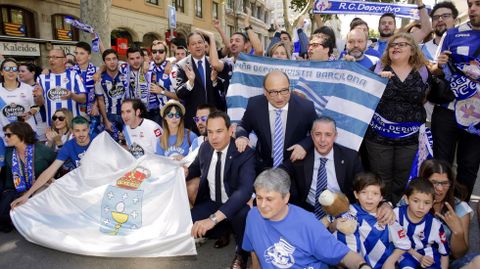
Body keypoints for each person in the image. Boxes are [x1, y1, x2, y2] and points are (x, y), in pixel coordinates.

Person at [243, 168, 372, 269]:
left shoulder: (307, 223)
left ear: (286, 198)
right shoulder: (253, 216)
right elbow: (255, 249)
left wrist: (362, 266)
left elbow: (343, 255)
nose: (262, 205)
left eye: (269, 199)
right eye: (259, 198)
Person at [365, 32, 429, 204]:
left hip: (409, 139)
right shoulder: (378, 68)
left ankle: (398, 217)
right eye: (393, 44)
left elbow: (428, 96)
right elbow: (361, 91)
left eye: (402, 44)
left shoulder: (422, 71)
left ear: (412, 51)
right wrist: (376, 80)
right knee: (381, 180)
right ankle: (381, 215)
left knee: (403, 180)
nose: (396, 47)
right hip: (379, 137)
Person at [188, 111, 256, 269]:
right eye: (210, 132)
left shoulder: (244, 153)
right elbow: (195, 169)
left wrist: (212, 220)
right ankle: (222, 229)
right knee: (187, 223)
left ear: (230, 130)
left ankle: (241, 253)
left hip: (235, 204)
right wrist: (185, 172)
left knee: (243, 214)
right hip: (211, 202)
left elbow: (245, 191)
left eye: (219, 131)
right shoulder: (205, 147)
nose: (214, 137)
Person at [431, 0, 480, 200]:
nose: (472, 9)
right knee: (441, 166)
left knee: (468, 167)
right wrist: (440, 66)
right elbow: (434, 68)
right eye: (470, 4)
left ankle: (461, 212)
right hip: (447, 111)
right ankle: (437, 212)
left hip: (476, 116)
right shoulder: (452, 34)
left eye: (478, 4)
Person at [235, 70, 317, 174]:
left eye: (284, 90)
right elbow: (243, 126)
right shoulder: (255, 105)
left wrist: (304, 145)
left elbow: (317, 132)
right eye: (273, 92)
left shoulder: (306, 107)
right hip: (264, 167)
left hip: (295, 167)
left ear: (290, 88)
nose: (280, 97)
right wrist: (242, 136)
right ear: (265, 91)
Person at [281, 117, 363, 213]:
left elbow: (363, 186)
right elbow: (280, 172)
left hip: (340, 212)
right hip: (307, 211)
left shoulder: (350, 157)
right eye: (317, 134)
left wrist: (383, 204)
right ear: (311, 135)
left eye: (328, 134)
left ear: (335, 136)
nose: (322, 139)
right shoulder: (300, 156)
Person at [336, 172, 410, 269]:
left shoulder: (386, 216)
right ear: (356, 194)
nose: (369, 197)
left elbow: (404, 243)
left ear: (381, 197)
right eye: (364, 192)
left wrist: (390, 262)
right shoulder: (350, 212)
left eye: (375, 193)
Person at [419, 159, 480, 269]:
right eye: (434, 183)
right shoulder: (411, 201)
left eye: (445, 183)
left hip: (448, 263)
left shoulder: (460, 208)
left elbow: (459, 255)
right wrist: (386, 207)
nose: (440, 189)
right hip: (416, 259)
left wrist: (457, 232)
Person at [0, 122, 56, 232]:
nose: (6, 138)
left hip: (39, 189)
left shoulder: (41, 150)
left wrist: (51, 177)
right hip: (14, 190)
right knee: (3, 216)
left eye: (9, 135)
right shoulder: (8, 153)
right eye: (5, 135)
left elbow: (57, 163)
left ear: (21, 134)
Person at [174, 32, 226, 132]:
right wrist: (190, 82)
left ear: (204, 44)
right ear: (188, 47)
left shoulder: (214, 62)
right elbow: (179, 93)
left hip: (214, 118)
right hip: (194, 121)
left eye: (200, 42)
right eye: (193, 44)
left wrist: (215, 81)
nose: (197, 46)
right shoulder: (182, 65)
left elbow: (223, 89)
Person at [395, 178, 449, 269]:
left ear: (432, 203)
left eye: (427, 203)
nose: (421, 207)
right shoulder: (396, 215)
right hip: (405, 253)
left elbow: (444, 253)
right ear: (406, 199)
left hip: (428, 254)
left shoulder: (435, 225)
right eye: (415, 201)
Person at [36, 49, 87, 127]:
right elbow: (39, 104)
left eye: (55, 57)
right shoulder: (41, 78)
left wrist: (72, 96)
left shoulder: (74, 76)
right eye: (49, 57)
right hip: (52, 126)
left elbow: (83, 99)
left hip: (72, 126)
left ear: (64, 60)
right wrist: (39, 96)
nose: (51, 60)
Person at [0, 58, 39, 138]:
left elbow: (36, 106)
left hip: (26, 134)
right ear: (1, 72)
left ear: (17, 72)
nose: (11, 71)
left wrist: (29, 113)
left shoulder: (28, 88)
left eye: (14, 69)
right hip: (5, 136)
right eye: (7, 69)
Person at [96, 49, 127, 142]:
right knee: (112, 144)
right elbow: (100, 100)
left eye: (114, 59)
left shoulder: (126, 73)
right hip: (110, 116)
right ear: (104, 62)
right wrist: (105, 120)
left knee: (128, 143)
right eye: (108, 59)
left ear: (118, 60)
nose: (112, 62)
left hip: (126, 114)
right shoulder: (99, 79)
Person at [147, 40, 178, 123]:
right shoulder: (150, 67)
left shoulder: (173, 70)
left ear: (166, 54)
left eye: (161, 51)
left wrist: (162, 91)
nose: (157, 55)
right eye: (154, 52)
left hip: (175, 114)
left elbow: (181, 96)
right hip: (158, 115)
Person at [18, 63, 47, 142]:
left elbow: (40, 104)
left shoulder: (41, 86)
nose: (20, 73)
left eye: (23, 71)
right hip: (24, 125)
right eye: (19, 71)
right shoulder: (17, 88)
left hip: (41, 125)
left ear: (33, 72)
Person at [71, 41, 98, 120]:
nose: (78, 56)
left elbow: (101, 93)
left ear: (89, 56)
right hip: (75, 111)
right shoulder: (70, 72)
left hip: (92, 111)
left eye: (82, 53)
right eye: (76, 53)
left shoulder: (96, 71)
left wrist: (96, 105)